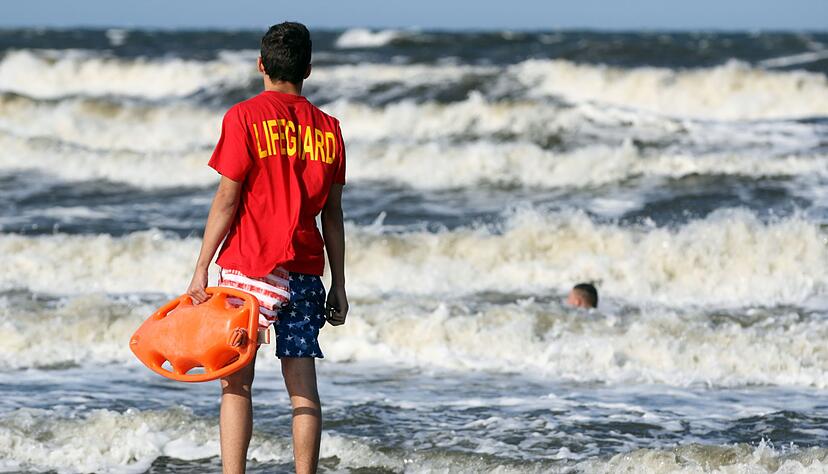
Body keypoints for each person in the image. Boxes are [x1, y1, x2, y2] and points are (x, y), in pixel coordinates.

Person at [185, 22, 348, 474]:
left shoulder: (243, 117)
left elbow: (227, 197)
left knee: (236, 384)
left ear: (261, 65)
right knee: (303, 389)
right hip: (305, 270)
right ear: (308, 69)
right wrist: (339, 283)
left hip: (248, 270)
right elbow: (332, 215)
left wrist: (201, 266)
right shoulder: (330, 129)